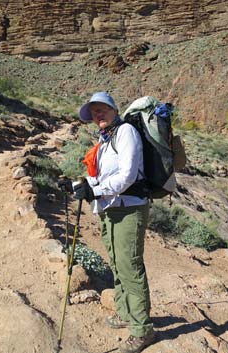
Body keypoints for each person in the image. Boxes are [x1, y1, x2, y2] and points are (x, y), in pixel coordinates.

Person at [58, 92, 154, 353]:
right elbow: (102, 178)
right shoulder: (105, 138)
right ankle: (125, 313)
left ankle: (142, 329)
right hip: (110, 209)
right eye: (94, 112)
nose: (98, 115)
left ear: (113, 109)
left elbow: (127, 176)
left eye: (102, 109)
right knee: (118, 264)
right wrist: (79, 184)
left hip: (129, 210)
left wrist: (94, 191)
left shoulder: (125, 133)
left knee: (130, 267)